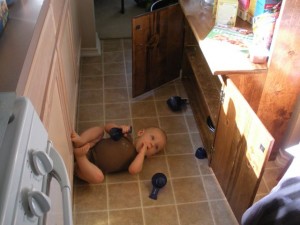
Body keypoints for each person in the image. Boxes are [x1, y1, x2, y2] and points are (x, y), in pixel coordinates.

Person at [71, 123, 167, 184]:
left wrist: (142, 153)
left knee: (99, 178)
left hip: (89, 167)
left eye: (155, 147)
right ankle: (81, 141)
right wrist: (118, 128)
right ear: (141, 133)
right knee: (99, 130)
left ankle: (80, 157)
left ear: (151, 155)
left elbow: (133, 170)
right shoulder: (126, 136)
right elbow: (107, 127)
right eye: (152, 138)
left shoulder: (137, 160)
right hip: (91, 145)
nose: (151, 144)